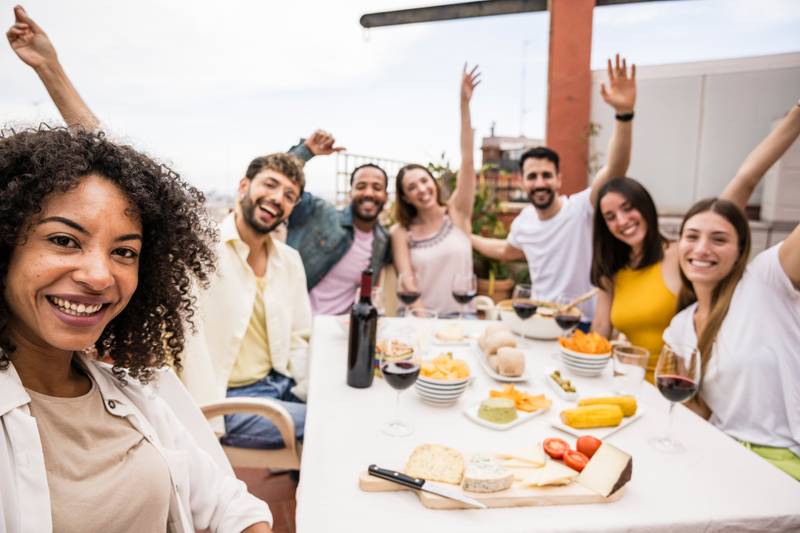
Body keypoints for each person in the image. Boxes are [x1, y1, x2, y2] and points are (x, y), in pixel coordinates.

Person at [7, 5, 311, 451]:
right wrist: (51, 70)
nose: (277, 198)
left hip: (286, 388)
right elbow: (124, 175)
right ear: (243, 186)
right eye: (269, 185)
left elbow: (302, 336)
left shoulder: (290, 261)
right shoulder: (203, 249)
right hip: (234, 404)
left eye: (289, 195)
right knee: (336, 430)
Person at [0, 123, 273, 532]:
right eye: (64, 240)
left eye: (124, 252)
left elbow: (229, 505)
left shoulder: (134, 393)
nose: (99, 275)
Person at [591, 101, 800, 382]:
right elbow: (601, 330)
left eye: (629, 208)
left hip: (689, 387)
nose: (622, 220)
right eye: (610, 216)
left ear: (647, 207)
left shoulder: (687, 254)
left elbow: (745, 180)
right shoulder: (613, 270)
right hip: (632, 387)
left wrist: (796, 115)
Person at [471, 55, 637, 325]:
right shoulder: (524, 222)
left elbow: (616, 168)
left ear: (559, 179)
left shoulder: (582, 208)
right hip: (538, 320)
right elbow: (505, 251)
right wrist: (466, 236)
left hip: (581, 322)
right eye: (532, 176)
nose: (539, 183)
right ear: (523, 182)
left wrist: (624, 115)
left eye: (546, 175)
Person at [662, 165, 800, 480]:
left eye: (719, 239)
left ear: (740, 253)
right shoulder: (680, 325)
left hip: (784, 460)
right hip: (719, 452)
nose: (701, 249)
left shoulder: (765, 281)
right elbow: (699, 410)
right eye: (692, 236)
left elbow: (747, 177)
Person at [390, 64, 480, 316]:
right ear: (406, 197)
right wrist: (426, 324)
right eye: (411, 187)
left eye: (424, 180)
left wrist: (464, 105)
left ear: (433, 181)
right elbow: (407, 283)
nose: (421, 188)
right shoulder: (401, 232)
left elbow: (468, 161)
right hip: (419, 321)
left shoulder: (457, 213)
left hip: (463, 320)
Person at [284, 131, 392, 315]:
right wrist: (306, 151)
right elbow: (280, 182)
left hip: (343, 334)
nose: (368, 193)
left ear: (385, 196)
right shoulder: (320, 213)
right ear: (350, 193)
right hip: (297, 327)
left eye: (377, 187)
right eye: (360, 186)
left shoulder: (383, 240)